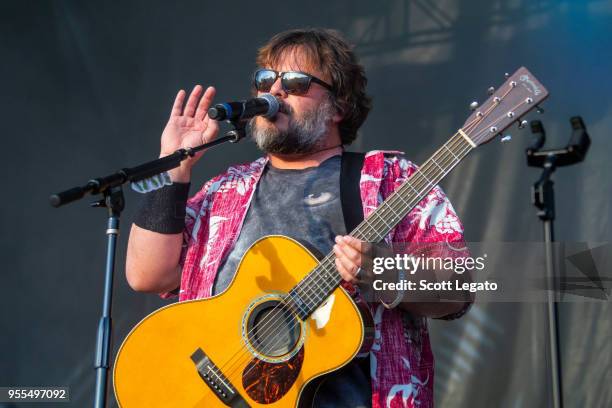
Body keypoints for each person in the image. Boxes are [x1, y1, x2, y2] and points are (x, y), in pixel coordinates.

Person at [126, 28, 470, 408]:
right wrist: (174, 165)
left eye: (294, 81)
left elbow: (459, 288)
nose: (274, 91)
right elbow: (148, 274)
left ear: (338, 107)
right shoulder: (227, 189)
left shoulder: (391, 180)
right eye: (264, 80)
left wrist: (386, 271)